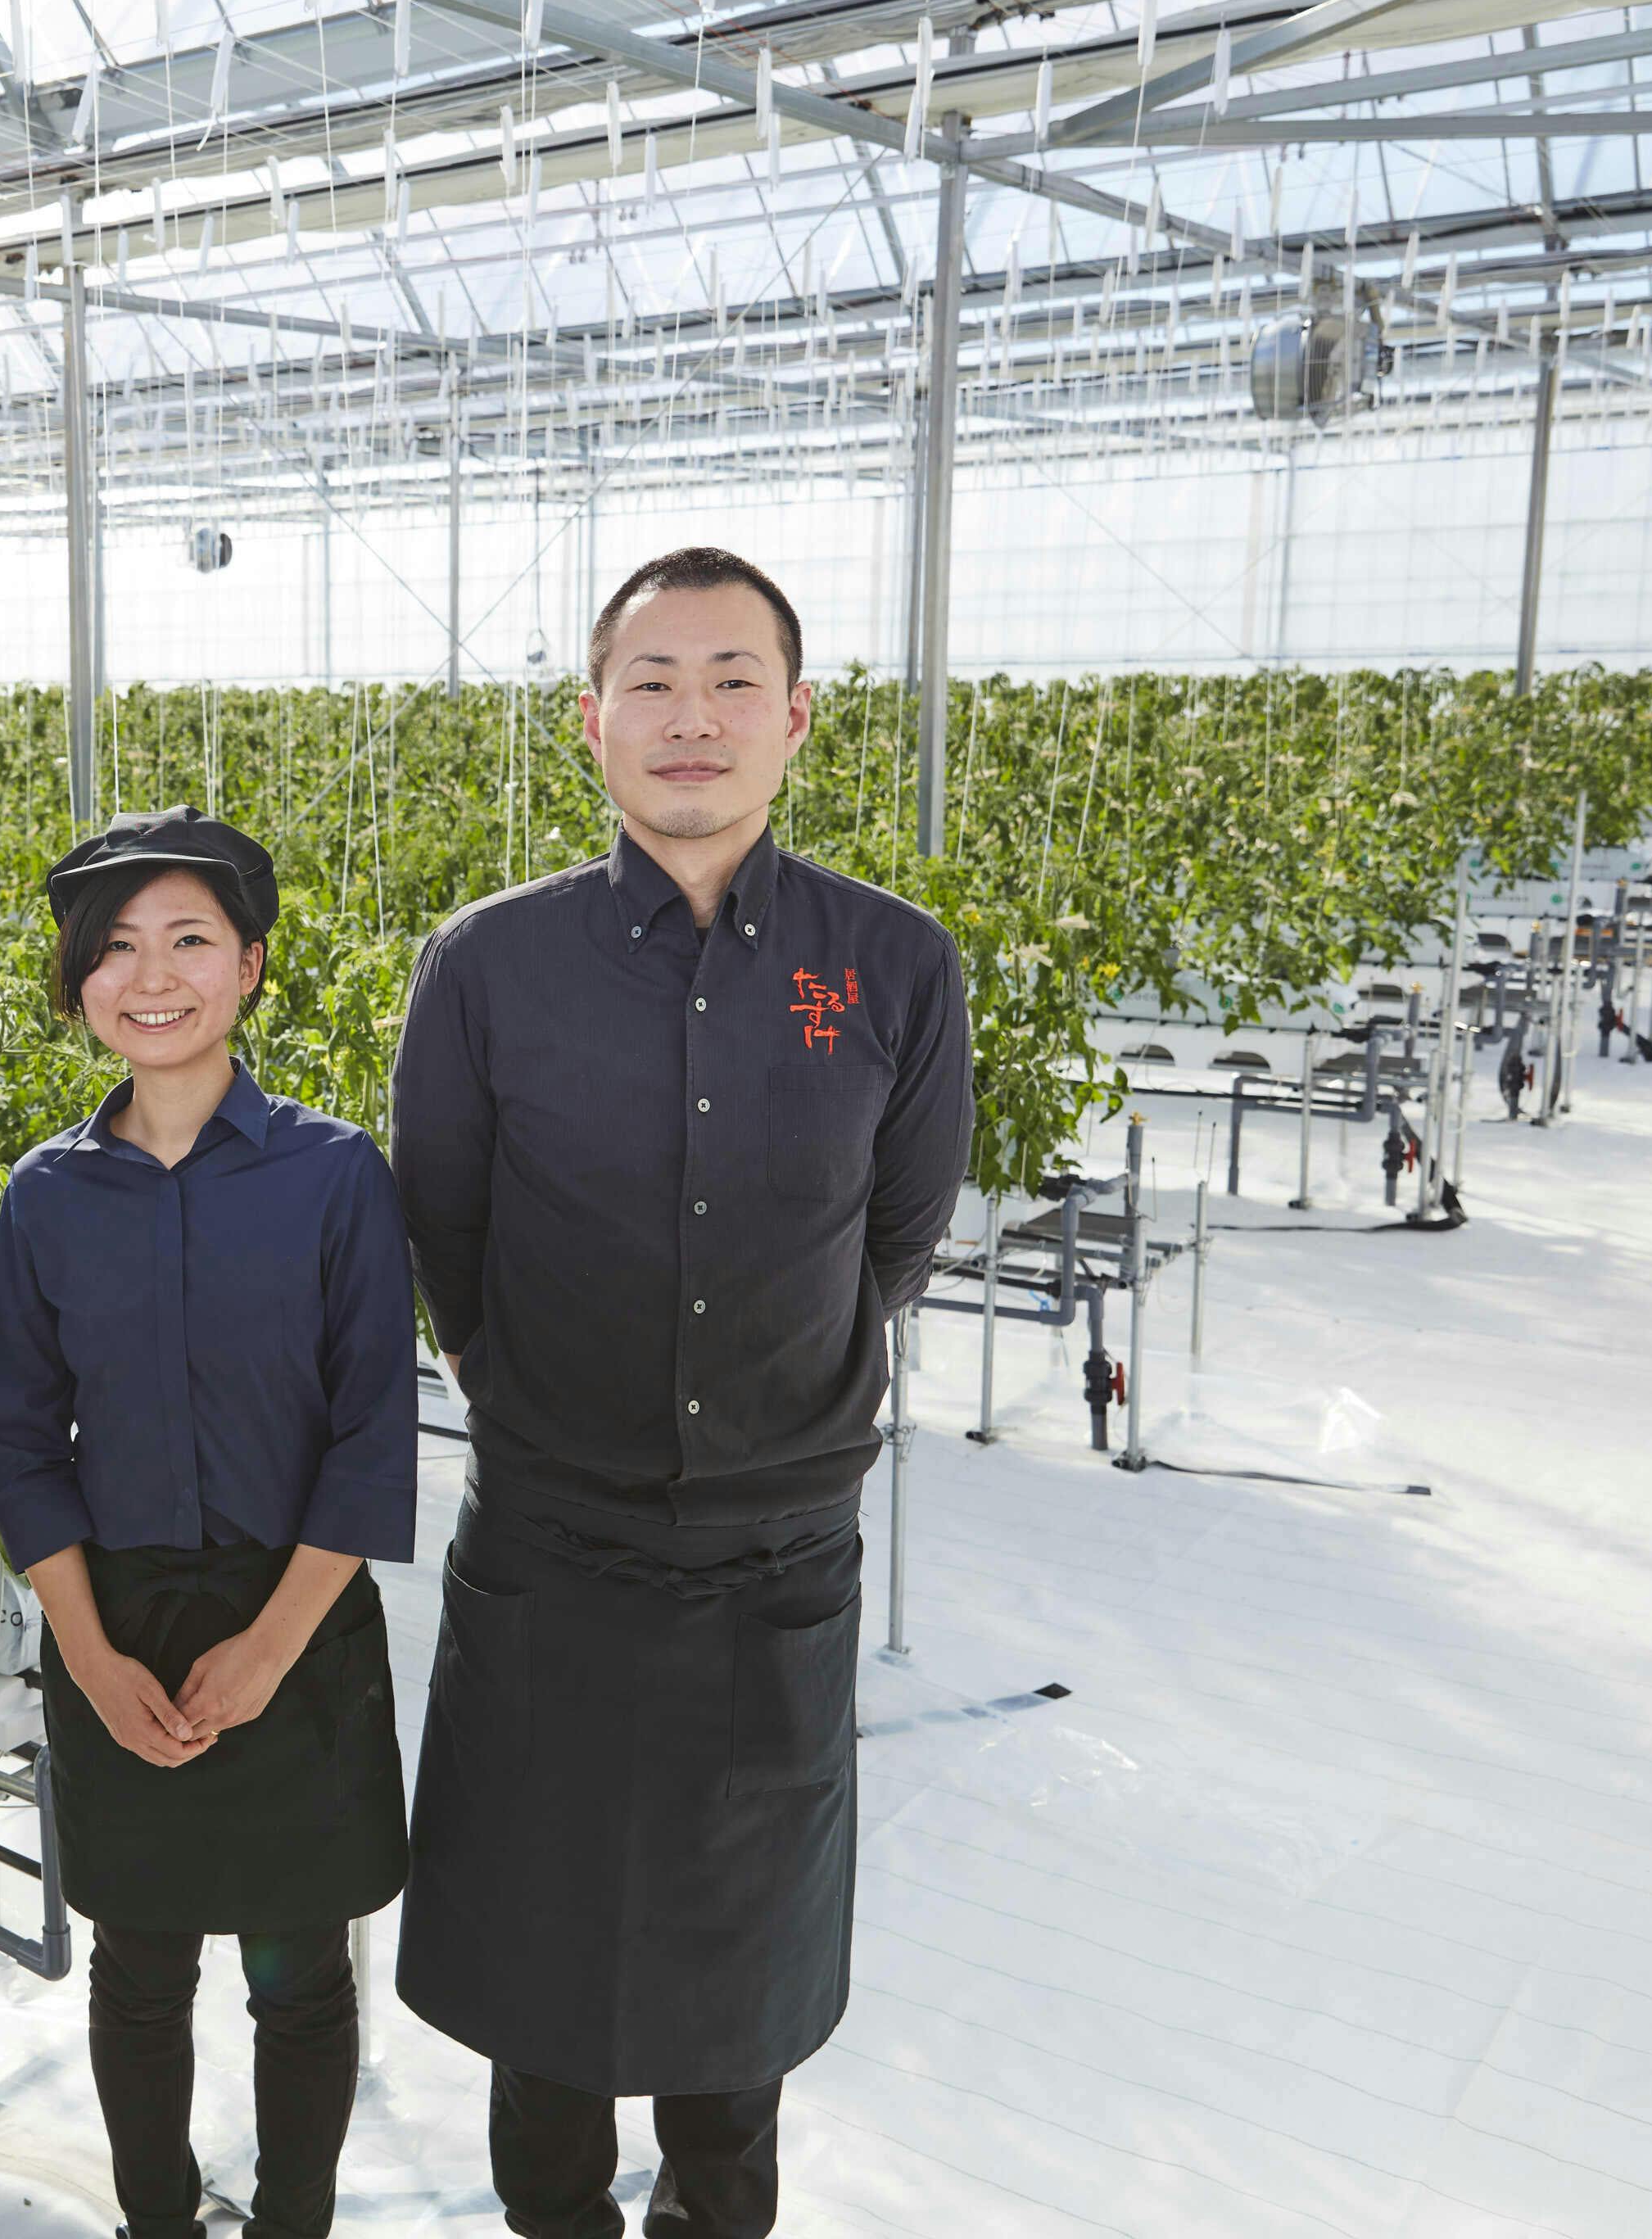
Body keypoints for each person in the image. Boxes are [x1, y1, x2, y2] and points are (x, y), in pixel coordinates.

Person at [388, 550, 972, 2237]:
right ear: (593, 722)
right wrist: (540, 1395)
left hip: (774, 1555)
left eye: (732, 680)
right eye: (652, 682)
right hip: (554, 1547)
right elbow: (447, 1228)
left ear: (798, 717)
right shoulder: (489, 963)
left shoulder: (890, 964)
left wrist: (771, 1397)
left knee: (739, 1995)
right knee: (545, 1977)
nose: (691, 716)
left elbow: (898, 1234)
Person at [0, 807, 418, 2239]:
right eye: (114, 948)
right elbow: (18, 1438)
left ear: (251, 966)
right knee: (139, 1972)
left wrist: (271, 1650)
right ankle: (155, 2220)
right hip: (119, 1623)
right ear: (78, 981)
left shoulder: (334, 1174)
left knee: (302, 1979)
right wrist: (89, 1655)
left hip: (296, 1625)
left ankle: (295, 2223)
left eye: (188, 940)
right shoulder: (47, 1195)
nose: (150, 976)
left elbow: (372, 1433)